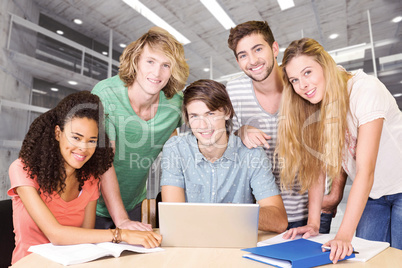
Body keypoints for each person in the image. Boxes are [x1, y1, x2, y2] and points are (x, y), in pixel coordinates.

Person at [278, 38, 402, 263]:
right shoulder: (316, 104)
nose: (302, 85)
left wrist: (344, 236)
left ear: (325, 65)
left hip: (399, 184)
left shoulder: (365, 90)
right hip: (374, 195)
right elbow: (317, 167)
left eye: (307, 72)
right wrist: (314, 223)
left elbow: (365, 170)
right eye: (294, 79)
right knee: (368, 260)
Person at [8, 91, 162, 265]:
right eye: (76, 138)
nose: (83, 148)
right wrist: (122, 234)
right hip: (31, 264)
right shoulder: (22, 169)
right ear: (58, 133)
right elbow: (56, 234)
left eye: (92, 141)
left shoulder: (90, 177)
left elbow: (86, 235)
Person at [226, 20, 347, 232]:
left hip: (313, 209)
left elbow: (337, 137)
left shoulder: (302, 84)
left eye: (258, 49)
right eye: (243, 55)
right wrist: (240, 131)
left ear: (274, 48)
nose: (252, 60)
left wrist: (335, 193)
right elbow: (225, 144)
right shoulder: (234, 91)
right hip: (265, 214)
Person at [92, 27, 189, 231]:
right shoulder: (106, 94)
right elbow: (104, 162)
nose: (157, 73)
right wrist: (121, 221)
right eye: (150, 61)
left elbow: (180, 146)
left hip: (134, 203)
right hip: (91, 206)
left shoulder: (174, 105)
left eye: (166, 65)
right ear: (136, 61)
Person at [160, 79, 288, 233]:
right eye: (194, 116)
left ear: (227, 112)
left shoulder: (251, 153)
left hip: (236, 246)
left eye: (210, 114)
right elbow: (174, 218)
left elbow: (279, 221)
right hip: (191, 245)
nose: (202, 125)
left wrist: (232, 214)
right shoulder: (176, 149)